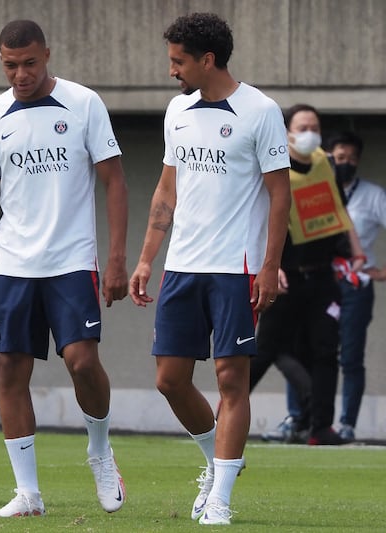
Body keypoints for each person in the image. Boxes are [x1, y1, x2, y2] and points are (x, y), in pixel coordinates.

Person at [0, 19, 130, 517]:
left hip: (72, 261)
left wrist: (116, 257)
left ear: (47, 55)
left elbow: (114, 182)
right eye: (10, 65)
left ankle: (99, 450)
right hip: (12, 265)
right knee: (10, 368)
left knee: (82, 361)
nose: (20, 74)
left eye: (29, 63)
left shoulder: (83, 103)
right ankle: (28, 494)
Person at [129, 13, 291, 526]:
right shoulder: (176, 111)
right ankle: (218, 462)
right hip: (182, 265)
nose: (171, 70)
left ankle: (219, 497)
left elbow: (280, 195)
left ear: (207, 59)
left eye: (178, 61)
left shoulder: (260, 111)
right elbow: (166, 189)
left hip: (236, 268)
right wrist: (147, 257)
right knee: (170, 380)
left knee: (230, 381)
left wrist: (270, 266)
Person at [251, 105, 366, 447]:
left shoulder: (325, 164)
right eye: (302, 126)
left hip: (321, 276)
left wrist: (356, 251)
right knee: (265, 349)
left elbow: (340, 212)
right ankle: (223, 414)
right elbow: (256, 221)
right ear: (286, 132)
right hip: (283, 275)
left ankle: (320, 428)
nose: (309, 132)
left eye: (314, 126)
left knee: (325, 351)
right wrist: (268, 267)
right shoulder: (273, 166)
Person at [329, 131, 386, 441]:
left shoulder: (373, 195)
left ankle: (347, 422)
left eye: (351, 159)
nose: (345, 164)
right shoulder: (319, 192)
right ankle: (302, 418)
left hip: (356, 285)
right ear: (329, 157)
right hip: (321, 284)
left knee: (350, 356)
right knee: (310, 353)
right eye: (339, 159)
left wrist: (382, 272)